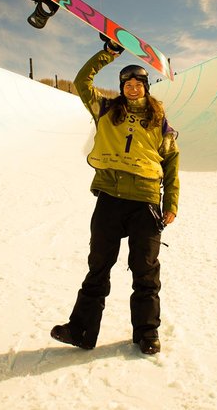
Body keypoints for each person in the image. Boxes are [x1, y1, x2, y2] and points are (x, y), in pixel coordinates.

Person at [50, 38, 180, 356]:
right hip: (110, 197)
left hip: (146, 202)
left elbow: (172, 163)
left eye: (138, 84)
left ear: (146, 87)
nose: (133, 88)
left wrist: (171, 203)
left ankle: (147, 333)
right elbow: (83, 82)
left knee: (145, 270)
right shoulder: (106, 110)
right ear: (121, 88)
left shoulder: (159, 122)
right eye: (127, 84)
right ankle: (81, 330)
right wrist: (107, 54)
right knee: (98, 266)